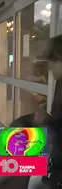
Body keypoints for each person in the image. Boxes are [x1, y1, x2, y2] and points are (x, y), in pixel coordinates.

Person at [27, 34, 62, 189]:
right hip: (54, 158)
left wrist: (47, 121)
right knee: (1, 157)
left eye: (53, 61)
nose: (49, 66)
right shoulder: (60, 83)